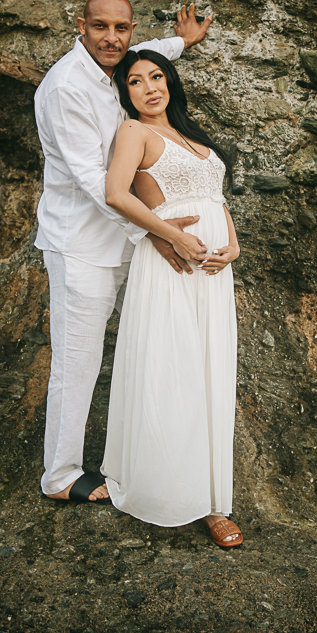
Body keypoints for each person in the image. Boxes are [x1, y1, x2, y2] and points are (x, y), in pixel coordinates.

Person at [34, 0, 212, 503]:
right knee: (78, 360)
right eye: (99, 27)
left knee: (139, 349)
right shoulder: (67, 87)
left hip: (122, 240)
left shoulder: (115, 64)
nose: (112, 38)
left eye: (122, 27)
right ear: (79, 25)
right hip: (81, 245)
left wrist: (179, 42)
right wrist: (158, 233)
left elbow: (139, 58)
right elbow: (96, 181)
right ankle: (60, 476)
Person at [101, 50, 243, 548]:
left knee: (209, 373)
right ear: (126, 94)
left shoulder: (194, 137)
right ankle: (176, 494)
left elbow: (215, 199)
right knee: (174, 372)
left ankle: (210, 499)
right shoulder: (134, 133)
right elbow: (117, 193)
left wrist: (235, 244)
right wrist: (171, 236)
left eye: (157, 76)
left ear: (170, 81)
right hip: (172, 265)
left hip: (211, 271)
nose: (149, 87)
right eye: (135, 81)